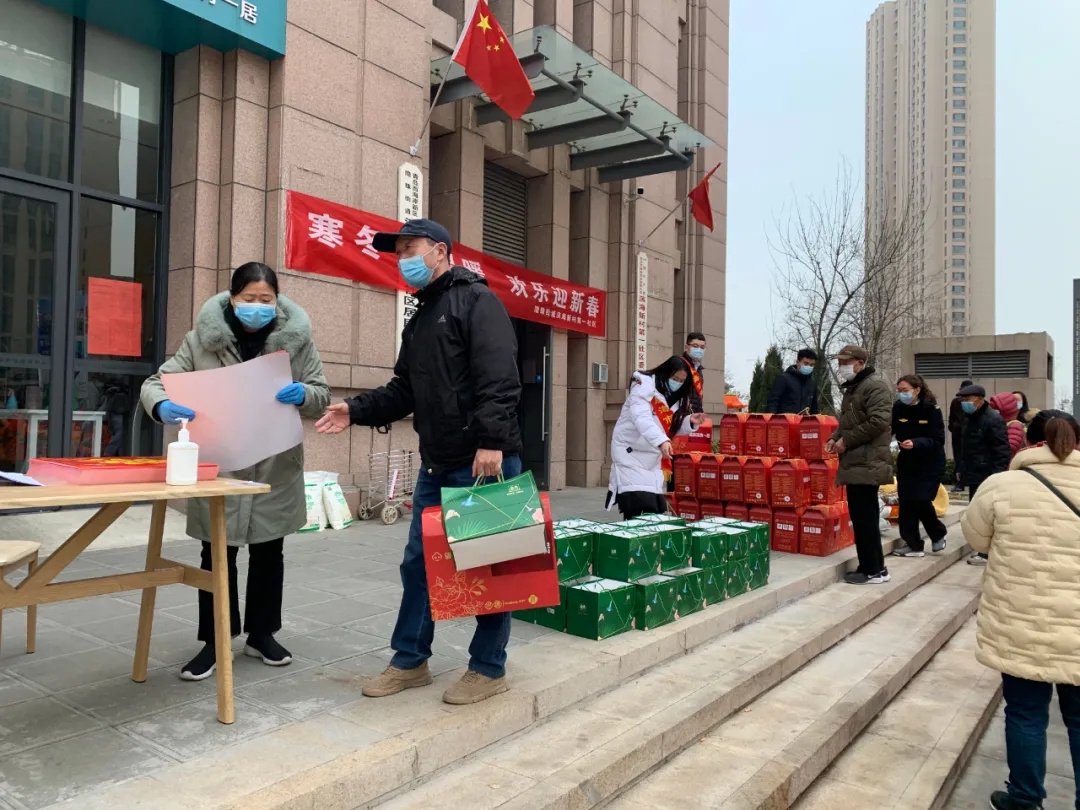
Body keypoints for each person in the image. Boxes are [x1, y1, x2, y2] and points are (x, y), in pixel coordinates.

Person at [315, 218, 522, 706]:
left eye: (412, 248)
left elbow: (499, 376)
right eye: (399, 251)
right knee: (419, 566)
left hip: (483, 462)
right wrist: (356, 409)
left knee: (489, 566)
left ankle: (488, 667)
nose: (404, 258)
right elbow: (404, 390)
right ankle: (410, 660)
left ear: (441, 251)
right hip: (437, 465)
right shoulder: (421, 317)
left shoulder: (477, 301)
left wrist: (491, 440)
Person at [141, 262, 330, 681]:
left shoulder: (298, 343)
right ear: (232, 298)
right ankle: (215, 640)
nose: (257, 307)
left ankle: (262, 635)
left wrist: (305, 394)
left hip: (274, 465)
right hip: (220, 465)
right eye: (249, 298)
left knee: (269, 553)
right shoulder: (200, 340)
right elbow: (157, 381)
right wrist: (162, 405)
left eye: (266, 299)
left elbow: (321, 392)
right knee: (216, 554)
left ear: (277, 301)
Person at [960, 409, 1080, 810]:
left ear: (1028, 441)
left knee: (1026, 713)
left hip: (1020, 622)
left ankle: (1025, 798)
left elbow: (978, 539)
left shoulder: (1000, 485)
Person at [824, 345, 893, 585]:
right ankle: (876, 568)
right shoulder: (855, 388)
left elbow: (879, 422)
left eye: (846, 362)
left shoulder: (874, 386)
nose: (841, 366)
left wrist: (847, 441)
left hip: (867, 461)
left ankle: (871, 570)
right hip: (858, 461)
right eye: (839, 362)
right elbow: (848, 422)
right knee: (864, 518)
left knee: (864, 519)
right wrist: (834, 437)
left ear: (860, 363)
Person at [608, 356, 706, 520]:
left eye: (681, 381)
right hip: (630, 452)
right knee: (637, 504)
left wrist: (689, 421)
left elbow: (667, 427)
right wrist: (661, 441)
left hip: (652, 457)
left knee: (653, 510)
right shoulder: (643, 387)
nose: (677, 383)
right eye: (674, 378)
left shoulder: (674, 397)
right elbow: (642, 418)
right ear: (665, 373)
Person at [890, 374, 948, 558]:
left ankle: (937, 533)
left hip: (930, 462)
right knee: (906, 501)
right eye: (899, 391)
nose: (902, 394)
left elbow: (938, 439)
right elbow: (890, 430)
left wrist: (916, 443)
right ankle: (913, 544)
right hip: (907, 461)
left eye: (905, 390)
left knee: (921, 499)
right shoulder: (898, 408)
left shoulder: (931, 409)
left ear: (917, 390)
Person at [958, 384, 1010, 567]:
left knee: (986, 514)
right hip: (974, 473)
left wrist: (997, 476)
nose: (964, 403)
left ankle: (986, 552)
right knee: (977, 513)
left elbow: (1002, 450)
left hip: (987, 474)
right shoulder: (970, 418)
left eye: (968, 400)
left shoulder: (992, 419)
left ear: (979, 400)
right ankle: (982, 548)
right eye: (962, 400)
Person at [766, 348, 821, 415]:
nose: (808, 367)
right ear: (798, 362)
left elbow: (815, 408)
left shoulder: (812, 383)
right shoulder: (784, 379)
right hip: (784, 420)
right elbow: (773, 402)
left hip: (805, 420)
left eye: (811, 365)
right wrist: (772, 418)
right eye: (806, 363)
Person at [948, 380, 971, 493]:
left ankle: (964, 482)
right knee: (959, 459)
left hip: (968, 434)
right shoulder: (956, 402)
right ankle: (960, 482)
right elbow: (951, 419)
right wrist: (954, 427)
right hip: (958, 435)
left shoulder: (973, 403)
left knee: (966, 458)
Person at [989, 393, 1026, 459]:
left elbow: (1009, 449)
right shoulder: (999, 424)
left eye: (996, 409)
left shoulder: (1015, 427)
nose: (992, 412)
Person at [682, 332, 707, 414]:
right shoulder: (680, 365)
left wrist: (700, 412)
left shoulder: (698, 369)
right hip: (683, 413)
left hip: (695, 414)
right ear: (686, 347)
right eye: (695, 346)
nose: (699, 350)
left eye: (702, 347)